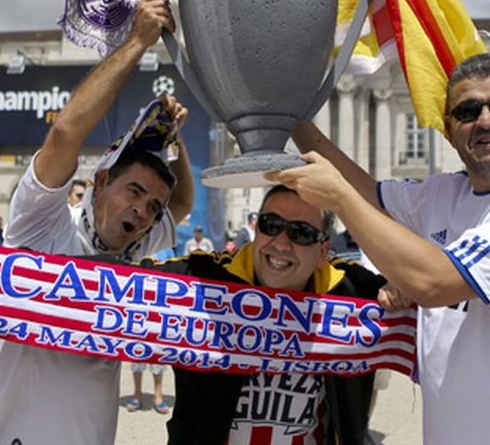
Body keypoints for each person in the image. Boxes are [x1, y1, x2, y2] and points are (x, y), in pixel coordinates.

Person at [279, 52, 490, 443]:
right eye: (467, 111)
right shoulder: (445, 193)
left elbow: (433, 283)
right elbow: (369, 194)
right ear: (450, 128)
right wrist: (289, 116)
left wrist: (340, 199)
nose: (485, 120)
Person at [0, 0, 194, 445]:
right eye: (135, 191)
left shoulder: (132, 245)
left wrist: (175, 140)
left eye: (152, 206)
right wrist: (137, 42)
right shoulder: (43, 224)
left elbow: (180, 203)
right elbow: (65, 132)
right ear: (100, 182)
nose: (143, 210)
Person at [139, 185, 395, 444]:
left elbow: (418, 292)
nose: (281, 243)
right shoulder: (202, 279)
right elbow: (123, 278)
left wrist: (401, 287)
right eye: (270, 225)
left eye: (301, 233)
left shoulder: (351, 291)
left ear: (322, 251)